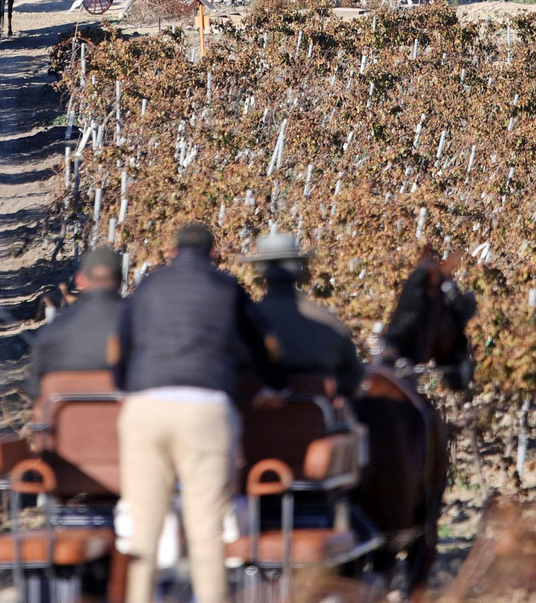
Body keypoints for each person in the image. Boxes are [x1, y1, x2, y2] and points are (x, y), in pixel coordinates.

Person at [112, 223, 288, 603]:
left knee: (144, 530)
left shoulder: (148, 287)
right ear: (213, 252)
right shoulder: (226, 287)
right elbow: (264, 343)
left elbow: (120, 343)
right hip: (205, 409)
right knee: (206, 530)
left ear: (174, 250)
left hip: (145, 407)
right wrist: (275, 385)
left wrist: (124, 385)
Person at [243, 233, 363, 398]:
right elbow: (353, 378)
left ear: (262, 274)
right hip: (316, 420)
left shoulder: (243, 321)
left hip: (253, 420)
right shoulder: (328, 322)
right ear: (299, 273)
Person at [25, 247, 126, 397]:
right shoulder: (141, 322)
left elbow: (35, 388)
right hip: (126, 417)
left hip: (66, 416)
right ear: (120, 281)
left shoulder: (56, 327)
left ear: (80, 280)